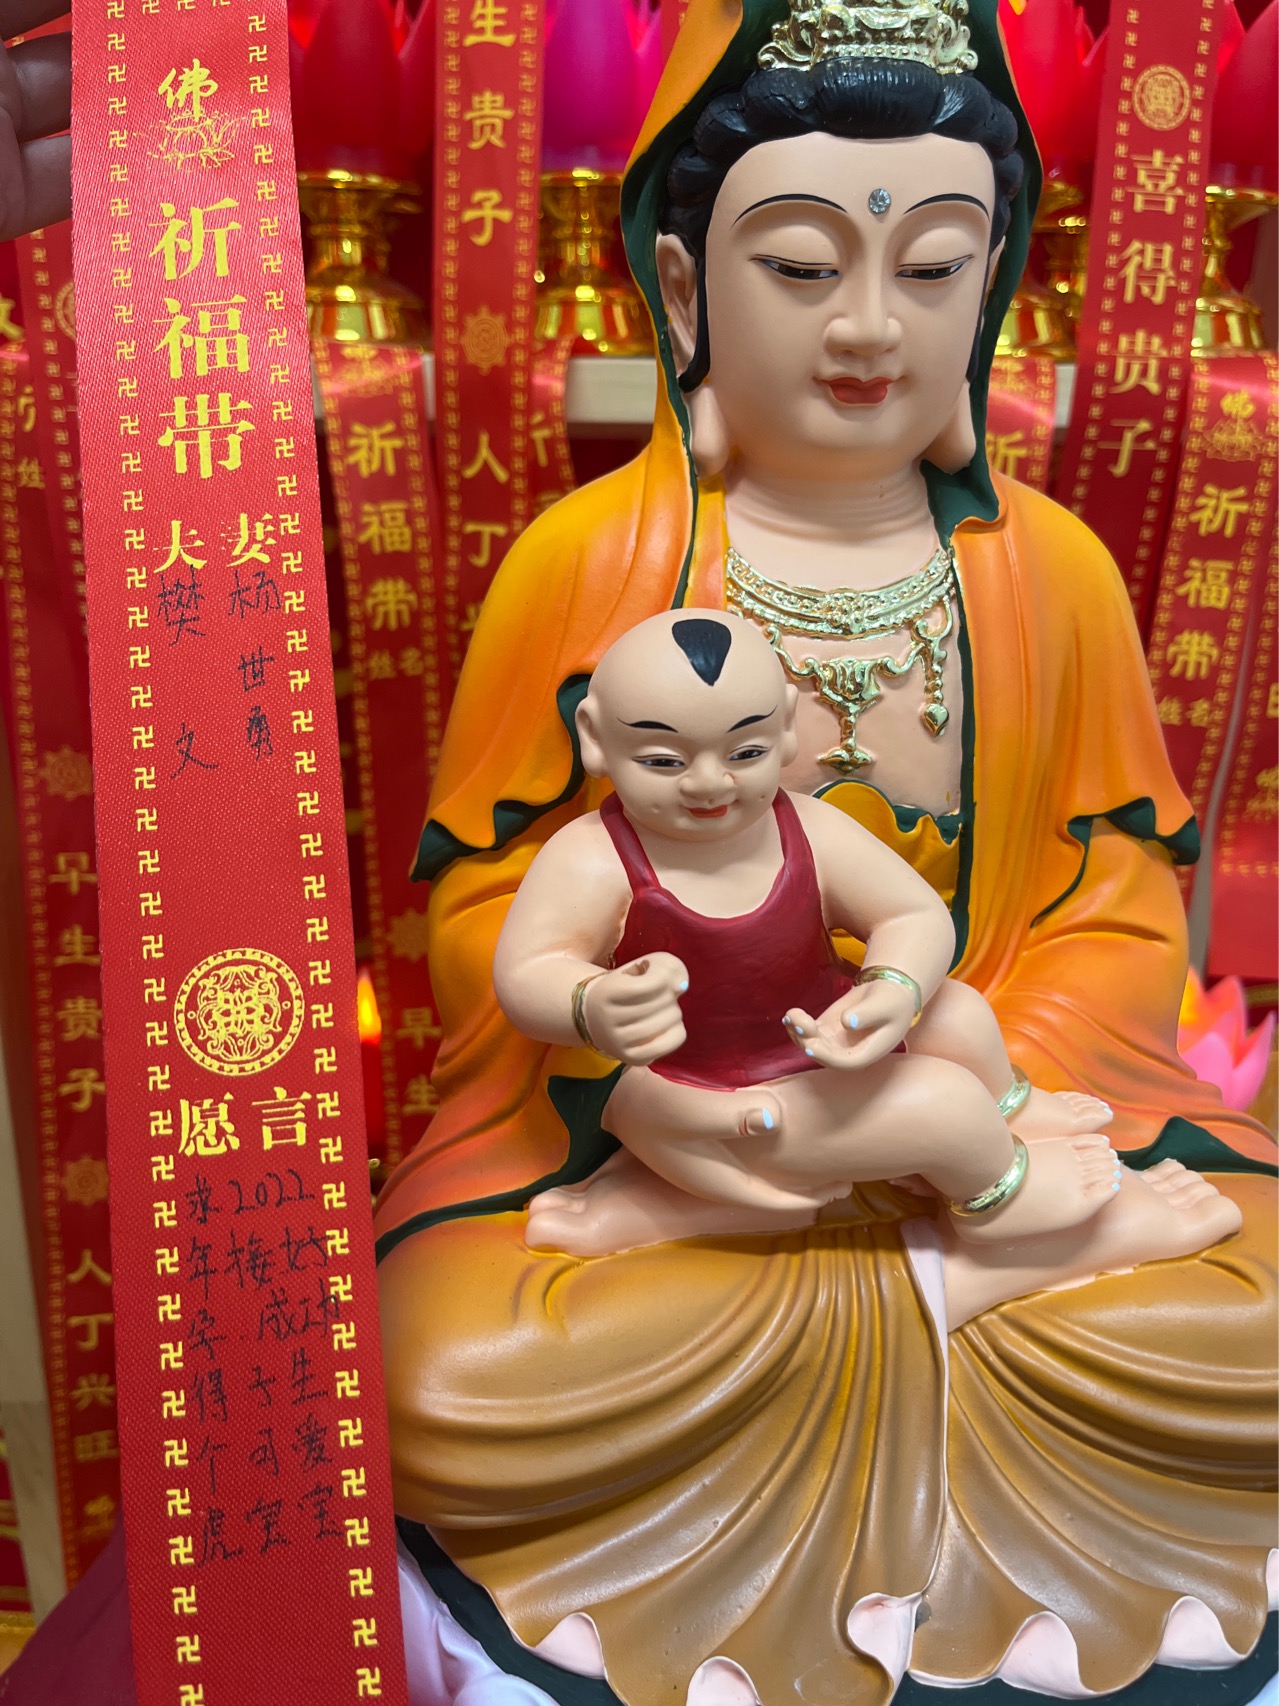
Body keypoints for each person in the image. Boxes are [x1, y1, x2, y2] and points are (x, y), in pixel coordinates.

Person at [376, 1, 1277, 1701]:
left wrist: (961, 1066)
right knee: (445, 1380)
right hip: (676, 1145)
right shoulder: (588, 562)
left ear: (988, 282)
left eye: (928, 269)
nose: (867, 327)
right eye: (798, 267)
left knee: (1258, 1329)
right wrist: (609, 1035)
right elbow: (488, 905)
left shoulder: (1050, 575)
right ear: (681, 287)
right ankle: (963, 1277)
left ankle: (967, 1250)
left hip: (990, 1104)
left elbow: (1112, 902)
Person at [499, 607, 1246, 1268]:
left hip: (832, 1039)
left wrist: (890, 988)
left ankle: (1006, 1110)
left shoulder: (806, 826)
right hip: (721, 1098)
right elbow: (529, 970)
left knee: (957, 1013)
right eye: (663, 761)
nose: (708, 784)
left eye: (745, 752)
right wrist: (589, 1003)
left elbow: (912, 916)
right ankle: (1000, 1202)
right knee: (941, 1104)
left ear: (786, 728)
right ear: (595, 739)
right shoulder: (593, 857)